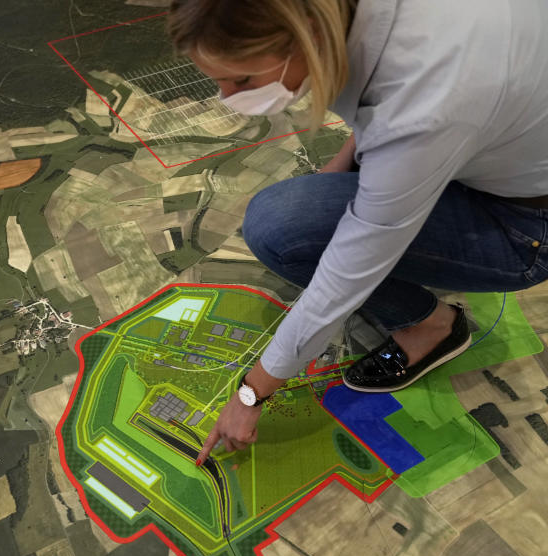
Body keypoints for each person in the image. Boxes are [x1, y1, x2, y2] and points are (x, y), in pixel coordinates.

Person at [166, 0, 548, 464]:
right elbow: (385, 92)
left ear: (308, 28)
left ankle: (432, 329)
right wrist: (345, 163)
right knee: (303, 210)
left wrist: (251, 394)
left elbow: (350, 270)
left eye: (242, 80)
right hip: (499, 144)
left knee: (279, 228)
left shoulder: (425, 103)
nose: (227, 96)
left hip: (524, 227)